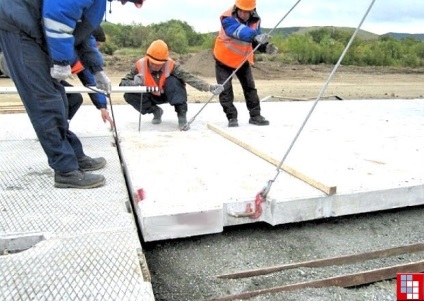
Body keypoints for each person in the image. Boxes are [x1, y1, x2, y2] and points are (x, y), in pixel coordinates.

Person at [0, 0, 143, 188]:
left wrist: (97, 68)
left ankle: (74, 156)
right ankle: (65, 171)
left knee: (60, 98)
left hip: (33, 27)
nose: (127, 4)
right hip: (19, 26)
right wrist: (61, 60)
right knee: (45, 100)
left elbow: (82, 31)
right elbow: (58, 15)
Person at [120, 39, 224, 129]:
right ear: (147, 58)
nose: (155, 66)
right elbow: (122, 84)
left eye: (159, 64)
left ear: (164, 61)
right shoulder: (139, 65)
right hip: (150, 96)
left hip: (168, 94)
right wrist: (133, 83)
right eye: (152, 63)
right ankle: (156, 111)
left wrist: (209, 87)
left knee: (174, 81)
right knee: (129, 95)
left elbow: (189, 77)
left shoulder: (172, 65)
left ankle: (182, 117)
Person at [213, 0, 278, 127]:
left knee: (250, 88)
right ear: (236, 8)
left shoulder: (255, 21)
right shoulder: (227, 18)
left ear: (252, 11)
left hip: (242, 60)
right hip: (223, 59)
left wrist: (265, 47)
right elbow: (238, 31)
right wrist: (255, 36)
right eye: (241, 10)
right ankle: (232, 117)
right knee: (225, 90)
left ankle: (255, 116)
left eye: (246, 11)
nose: (243, 13)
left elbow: (255, 41)